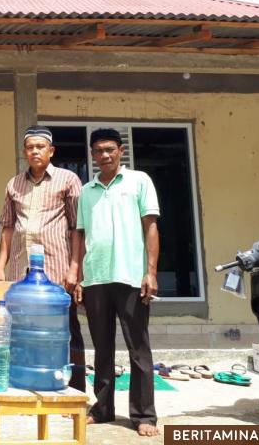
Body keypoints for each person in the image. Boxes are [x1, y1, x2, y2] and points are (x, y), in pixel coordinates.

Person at [68, 128, 160, 437]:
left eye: (110, 149)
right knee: (102, 348)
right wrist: (78, 274)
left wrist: (150, 272)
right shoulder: (87, 191)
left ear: (121, 151)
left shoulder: (139, 182)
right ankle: (103, 408)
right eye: (98, 151)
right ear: (92, 155)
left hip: (132, 277)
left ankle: (144, 415)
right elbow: (79, 234)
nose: (104, 155)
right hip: (96, 279)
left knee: (139, 349)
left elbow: (150, 227)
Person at [0, 125, 87, 392]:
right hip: (21, 274)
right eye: (30, 147)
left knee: (65, 332)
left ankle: (75, 390)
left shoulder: (68, 180)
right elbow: (9, 228)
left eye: (40, 147)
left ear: (51, 151)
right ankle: (27, 384)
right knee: (23, 332)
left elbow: (77, 228)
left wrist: (74, 270)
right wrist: (1, 268)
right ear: (24, 152)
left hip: (56, 272)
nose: (35, 151)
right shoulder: (14, 184)